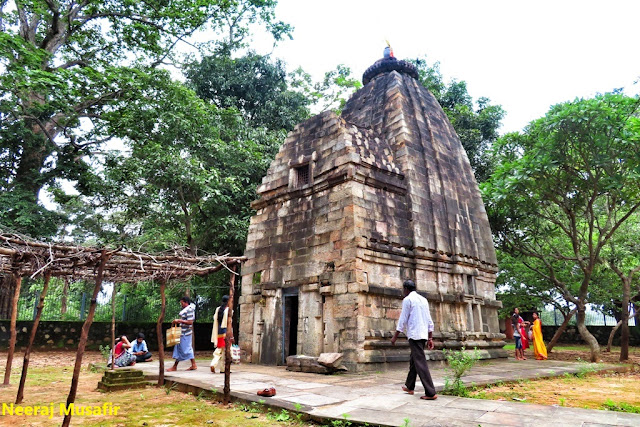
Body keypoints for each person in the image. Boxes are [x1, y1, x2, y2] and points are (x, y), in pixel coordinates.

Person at [391, 280, 438, 400]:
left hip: (414, 335)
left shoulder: (408, 300)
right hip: (423, 334)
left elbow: (403, 319)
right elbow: (429, 320)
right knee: (414, 360)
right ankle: (409, 386)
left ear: (406, 289)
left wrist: (395, 336)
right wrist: (430, 337)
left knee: (420, 363)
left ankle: (430, 392)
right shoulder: (423, 300)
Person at [167, 296, 197, 371]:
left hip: (186, 333)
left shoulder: (189, 310)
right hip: (182, 332)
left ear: (185, 302)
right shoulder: (186, 310)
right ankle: (177, 366)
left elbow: (190, 322)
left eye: (182, 303)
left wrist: (179, 321)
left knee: (186, 349)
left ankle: (192, 364)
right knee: (180, 348)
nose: (181, 304)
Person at [210, 295, 231, 373]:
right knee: (225, 351)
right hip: (226, 332)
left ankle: (222, 368)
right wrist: (231, 335)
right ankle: (216, 365)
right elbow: (229, 323)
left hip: (219, 332)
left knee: (220, 349)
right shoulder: (229, 310)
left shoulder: (218, 309)